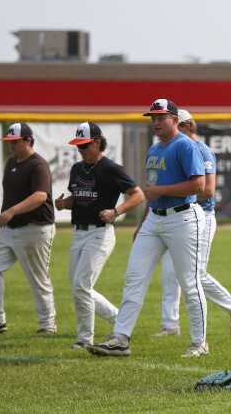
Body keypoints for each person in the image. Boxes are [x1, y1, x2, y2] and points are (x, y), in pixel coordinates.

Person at [88, 99, 209, 358]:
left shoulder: (185, 146)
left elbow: (199, 186)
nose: (155, 122)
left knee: (189, 282)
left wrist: (161, 191)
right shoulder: (153, 150)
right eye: (152, 118)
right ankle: (120, 338)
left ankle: (199, 343)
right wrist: (143, 223)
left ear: (175, 120)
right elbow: (151, 194)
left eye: (160, 117)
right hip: (154, 219)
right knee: (134, 277)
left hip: (183, 218)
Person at [153, 109, 231, 337]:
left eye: (177, 127)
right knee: (169, 273)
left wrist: (174, 195)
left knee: (198, 273)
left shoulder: (202, 151)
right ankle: (170, 325)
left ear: (185, 126)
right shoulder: (173, 149)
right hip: (174, 217)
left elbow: (208, 191)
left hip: (201, 217)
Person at [54, 122, 145, 349]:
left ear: (97, 142)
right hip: (79, 233)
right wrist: (65, 203)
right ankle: (117, 318)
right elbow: (77, 195)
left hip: (99, 234)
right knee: (79, 288)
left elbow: (138, 194)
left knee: (81, 286)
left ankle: (85, 339)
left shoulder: (110, 168)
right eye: (78, 145)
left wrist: (116, 212)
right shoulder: (77, 168)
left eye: (85, 144)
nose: (81, 149)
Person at [0, 123, 57, 335]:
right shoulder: (11, 162)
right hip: (9, 230)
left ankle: (47, 326)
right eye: (9, 143)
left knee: (38, 279)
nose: (12, 147)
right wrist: (10, 214)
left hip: (35, 228)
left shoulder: (38, 165)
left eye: (16, 142)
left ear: (28, 141)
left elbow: (41, 196)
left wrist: (11, 211)